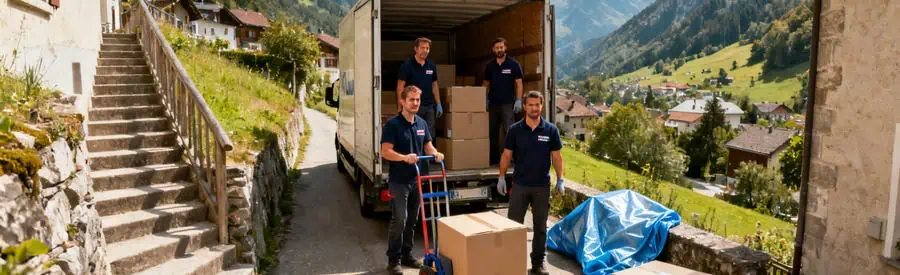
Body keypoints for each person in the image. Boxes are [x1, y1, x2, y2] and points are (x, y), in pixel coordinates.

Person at [496, 91, 565, 275]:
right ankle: (513, 262)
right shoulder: (515, 130)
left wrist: (561, 179)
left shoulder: (551, 130)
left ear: (542, 106)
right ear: (525, 106)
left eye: (538, 104)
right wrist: (501, 177)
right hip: (520, 185)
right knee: (514, 226)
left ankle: (537, 264)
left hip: (542, 186)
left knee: (540, 228)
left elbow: (557, 157)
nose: (534, 108)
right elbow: (506, 155)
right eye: (531, 104)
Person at [380, 85, 445, 274]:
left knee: (412, 221)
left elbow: (428, 146)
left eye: (417, 100)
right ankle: (393, 260)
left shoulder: (422, 124)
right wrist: (404, 157)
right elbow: (385, 152)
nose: (415, 103)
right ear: (402, 101)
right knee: (400, 219)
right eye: (411, 100)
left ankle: (407, 254)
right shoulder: (393, 125)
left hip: (417, 179)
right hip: (399, 180)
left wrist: (436, 153)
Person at [483, 37, 524, 165]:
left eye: (501, 47)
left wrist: (518, 100)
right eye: (497, 47)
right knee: (492, 132)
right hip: (493, 104)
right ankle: (494, 159)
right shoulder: (490, 66)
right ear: (493, 49)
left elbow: (519, 84)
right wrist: (483, 99)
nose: (499, 49)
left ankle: (512, 159)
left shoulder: (513, 64)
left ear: (505, 48)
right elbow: (485, 84)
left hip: (508, 104)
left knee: (510, 131)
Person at [397, 37, 443, 137]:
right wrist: (400, 106)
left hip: (429, 106)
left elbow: (434, 85)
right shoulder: (407, 66)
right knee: (415, 134)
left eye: (427, 48)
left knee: (429, 134)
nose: (425, 50)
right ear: (416, 49)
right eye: (422, 48)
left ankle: (428, 153)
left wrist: (438, 103)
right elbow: (400, 87)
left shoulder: (431, 66)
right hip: (413, 106)